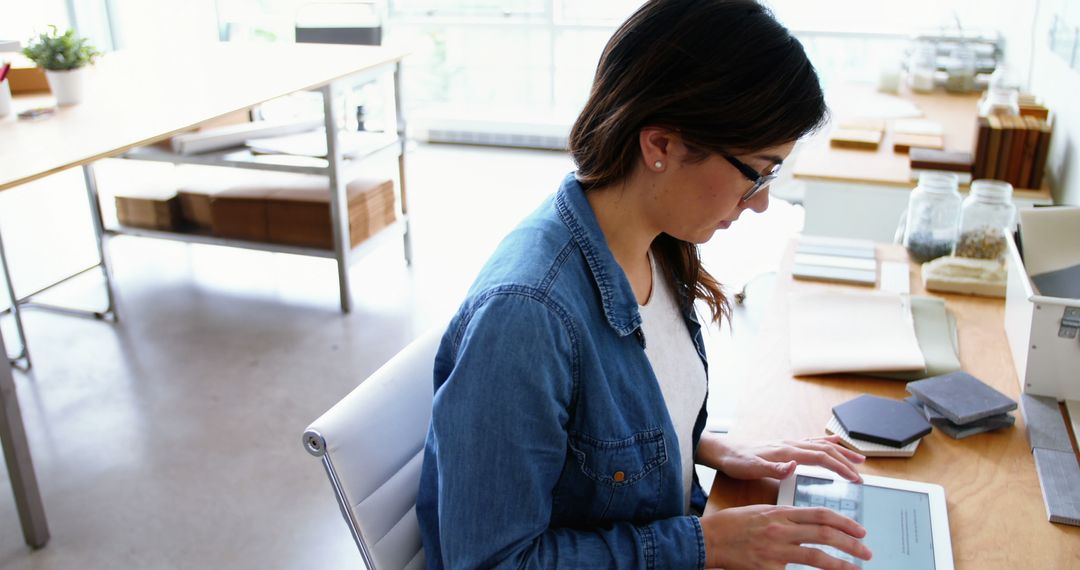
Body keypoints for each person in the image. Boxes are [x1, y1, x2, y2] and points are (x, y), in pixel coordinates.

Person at [417, 1, 873, 568]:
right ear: (660, 146)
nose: (760, 203)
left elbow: (597, 433)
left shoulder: (655, 241)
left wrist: (705, 446)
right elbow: (490, 561)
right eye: (755, 171)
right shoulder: (527, 318)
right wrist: (706, 544)